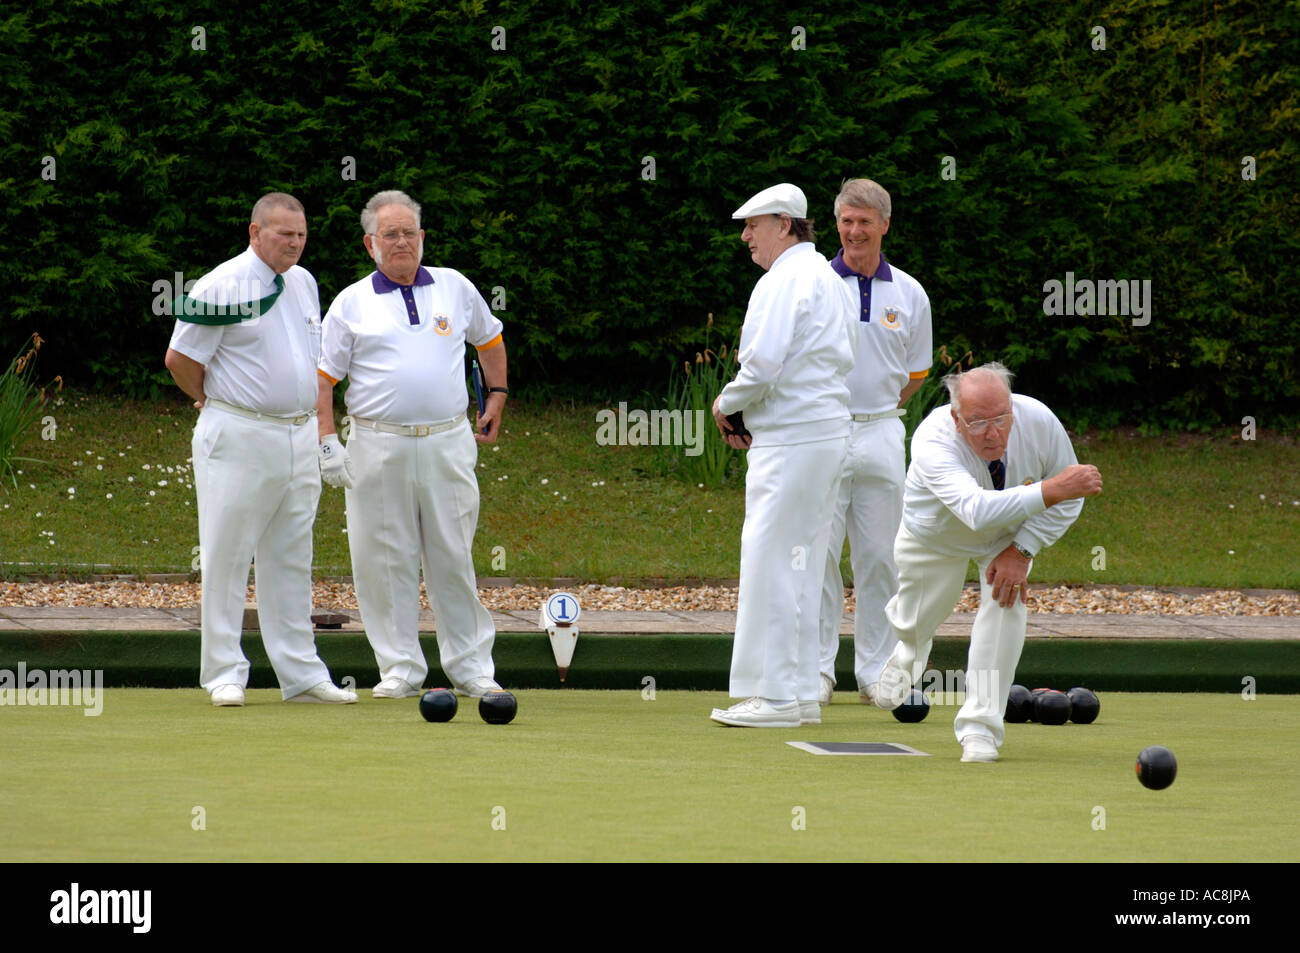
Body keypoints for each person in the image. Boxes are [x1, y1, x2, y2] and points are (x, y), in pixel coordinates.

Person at [164, 192, 358, 707]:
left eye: (300, 235)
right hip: (239, 432)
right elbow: (180, 358)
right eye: (282, 234)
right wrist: (211, 399)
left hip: (297, 436)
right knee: (227, 555)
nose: (293, 243)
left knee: (292, 556)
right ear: (254, 232)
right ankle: (224, 673)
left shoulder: (304, 282)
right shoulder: (221, 284)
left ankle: (301, 675)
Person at [315, 189, 506, 700]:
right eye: (389, 235)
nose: (400, 242)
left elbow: (489, 340)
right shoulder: (350, 302)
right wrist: (327, 439)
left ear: (422, 238)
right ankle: (400, 668)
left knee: (452, 554)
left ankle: (470, 668)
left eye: (408, 233)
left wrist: (498, 394)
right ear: (369, 244)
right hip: (377, 444)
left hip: (448, 440)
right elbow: (323, 378)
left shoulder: (455, 287)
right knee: (383, 559)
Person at [873, 362, 1102, 761]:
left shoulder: (1039, 421)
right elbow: (976, 509)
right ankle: (908, 652)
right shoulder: (932, 439)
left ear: (1012, 409)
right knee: (919, 619)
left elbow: (1072, 497)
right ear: (956, 418)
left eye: (1001, 418)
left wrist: (1023, 549)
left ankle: (980, 730)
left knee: (1006, 604)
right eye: (978, 422)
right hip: (935, 537)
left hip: (1006, 536)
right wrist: (1051, 489)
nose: (992, 433)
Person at [708, 183, 858, 727]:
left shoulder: (783, 280)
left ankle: (771, 698)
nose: (745, 236)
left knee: (772, 560)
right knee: (802, 562)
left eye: (753, 225)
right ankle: (794, 695)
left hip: (794, 442)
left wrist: (726, 402)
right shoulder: (825, 277)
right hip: (821, 437)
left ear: (785, 223)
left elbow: (763, 366)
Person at [818, 178, 933, 707]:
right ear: (836, 222)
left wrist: (876, 405)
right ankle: (816, 672)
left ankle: (875, 674)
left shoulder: (910, 293)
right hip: (820, 428)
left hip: (884, 428)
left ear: (885, 224)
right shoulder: (816, 283)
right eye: (846, 220)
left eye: (865, 221)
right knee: (817, 554)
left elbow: (914, 374)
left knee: (881, 557)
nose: (854, 230)